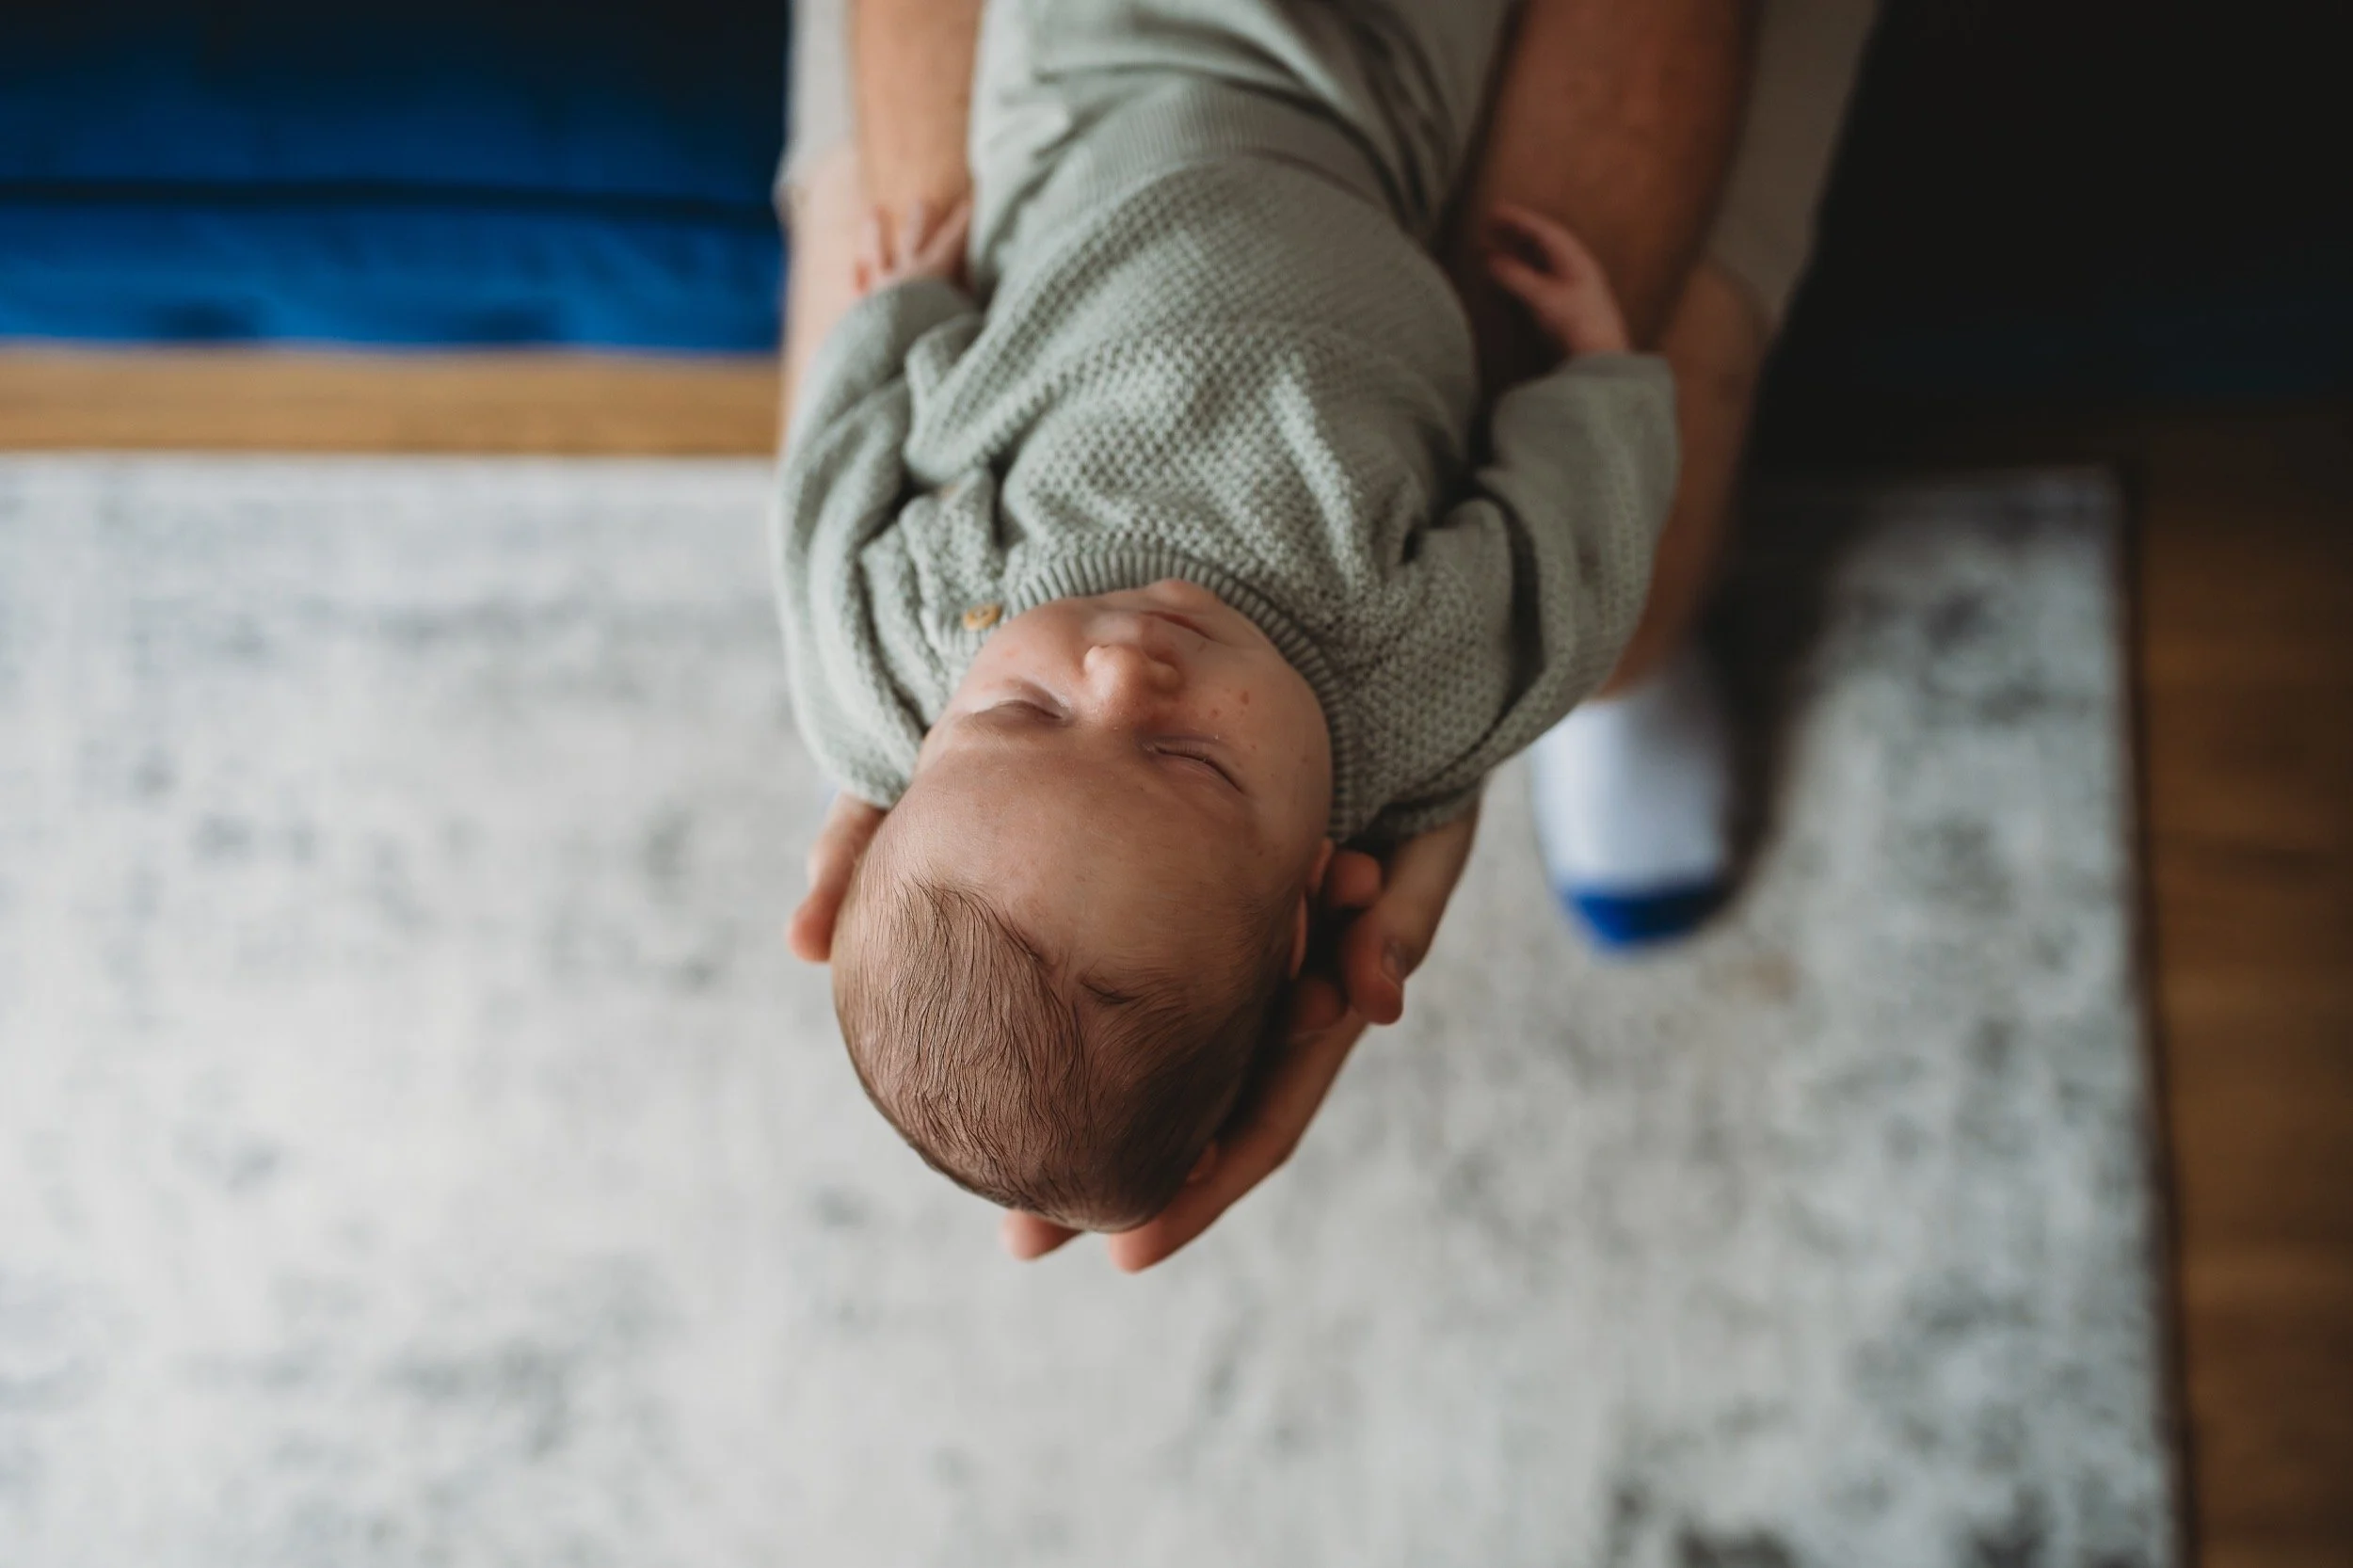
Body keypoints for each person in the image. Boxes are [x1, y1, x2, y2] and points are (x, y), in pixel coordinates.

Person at [782, 0, 1878, 1266]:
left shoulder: (892, 646)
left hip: (1073, 87)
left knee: (891, 232)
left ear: (921, 750)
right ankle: (1641, 678)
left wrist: (899, 321)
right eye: (1187, 761)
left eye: (1023, 714)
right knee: (1621, 623)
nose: (1122, 669)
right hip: (1376, 105)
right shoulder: (1417, 678)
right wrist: (1594, 381)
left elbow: (831, 486)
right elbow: (1566, 557)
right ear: (1307, 893)